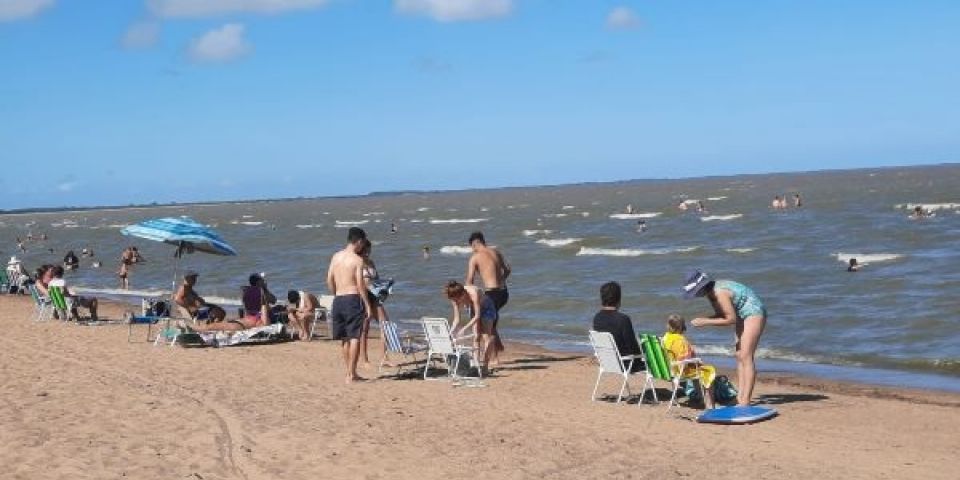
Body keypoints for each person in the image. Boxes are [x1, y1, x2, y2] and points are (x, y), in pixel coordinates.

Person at [683, 270, 766, 406]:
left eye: (695, 292)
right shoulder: (712, 294)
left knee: (746, 356)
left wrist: (705, 322)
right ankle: (740, 397)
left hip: (753, 312)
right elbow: (723, 315)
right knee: (739, 355)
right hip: (741, 314)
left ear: (701, 287)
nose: (695, 295)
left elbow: (730, 319)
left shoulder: (719, 293)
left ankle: (745, 400)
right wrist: (705, 319)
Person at [326, 227, 373, 383]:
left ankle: (349, 372)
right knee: (355, 337)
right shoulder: (357, 260)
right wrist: (367, 304)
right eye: (363, 242)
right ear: (358, 241)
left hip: (338, 299)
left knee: (345, 338)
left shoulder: (336, 256)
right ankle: (352, 374)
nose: (363, 246)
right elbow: (360, 285)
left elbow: (329, 279)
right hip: (353, 299)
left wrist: (335, 294)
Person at [465, 231, 510, 367]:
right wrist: (500, 280)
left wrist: (470, 297)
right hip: (504, 293)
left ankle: (494, 358)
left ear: (475, 244)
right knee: (492, 322)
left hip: (491, 293)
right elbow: (508, 269)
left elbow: (469, 281)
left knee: (487, 326)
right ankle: (499, 345)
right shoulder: (496, 252)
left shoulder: (475, 257)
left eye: (472, 247)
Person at [663, 314, 716, 409]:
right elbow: (684, 359)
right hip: (681, 370)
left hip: (669, 369)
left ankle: (701, 397)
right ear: (682, 327)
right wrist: (697, 360)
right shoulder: (680, 340)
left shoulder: (665, 338)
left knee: (697, 372)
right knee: (709, 371)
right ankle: (709, 404)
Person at [591, 281, 644, 372]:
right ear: (618, 299)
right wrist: (643, 354)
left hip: (607, 362)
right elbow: (632, 347)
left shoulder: (597, 318)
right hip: (626, 363)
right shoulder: (623, 319)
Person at [445, 280, 498, 371]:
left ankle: (485, 366)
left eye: (457, 299)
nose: (456, 302)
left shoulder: (473, 293)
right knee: (476, 336)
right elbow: (457, 319)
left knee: (486, 337)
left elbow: (477, 316)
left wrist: (464, 329)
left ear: (463, 294)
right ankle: (476, 365)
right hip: (473, 309)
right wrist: (450, 332)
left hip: (487, 308)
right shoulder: (453, 298)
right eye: (454, 300)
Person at [358, 238, 390, 367]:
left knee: (386, 325)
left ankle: (384, 357)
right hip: (363, 297)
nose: (367, 253)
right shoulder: (357, 263)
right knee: (364, 329)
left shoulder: (371, 262)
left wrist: (386, 287)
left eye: (369, 250)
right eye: (365, 250)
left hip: (375, 297)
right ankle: (364, 359)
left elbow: (376, 280)